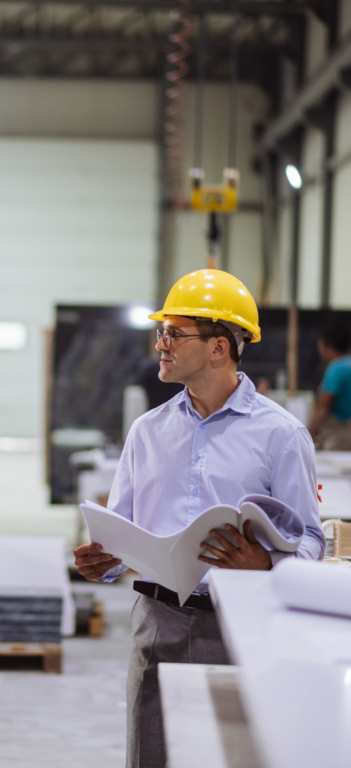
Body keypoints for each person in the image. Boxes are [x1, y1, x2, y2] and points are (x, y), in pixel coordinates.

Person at [73, 268, 325, 768]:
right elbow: (121, 529)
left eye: (174, 332)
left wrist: (267, 564)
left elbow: (313, 542)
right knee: (149, 758)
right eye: (161, 331)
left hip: (239, 624)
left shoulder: (282, 435)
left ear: (219, 347)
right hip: (156, 622)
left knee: (230, 758)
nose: (160, 344)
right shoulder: (147, 432)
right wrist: (106, 560)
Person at [307, 321, 351, 450]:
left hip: (342, 435)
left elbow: (323, 405)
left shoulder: (336, 368)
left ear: (327, 346)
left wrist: (307, 436)